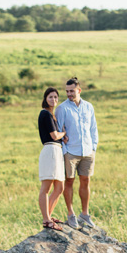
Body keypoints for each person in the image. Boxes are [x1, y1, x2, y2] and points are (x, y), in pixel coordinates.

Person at [55, 77, 98, 229]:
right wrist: (65, 151)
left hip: (87, 151)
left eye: (71, 91)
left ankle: (85, 215)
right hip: (70, 152)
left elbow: (93, 128)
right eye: (67, 91)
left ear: (79, 90)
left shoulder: (88, 107)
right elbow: (59, 130)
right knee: (69, 182)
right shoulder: (62, 109)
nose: (69, 94)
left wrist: (93, 147)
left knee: (86, 181)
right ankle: (71, 214)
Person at [37, 87, 67, 231]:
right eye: (50, 97)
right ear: (45, 99)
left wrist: (61, 136)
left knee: (59, 187)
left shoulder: (52, 115)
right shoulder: (45, 114)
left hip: (57, 151)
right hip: (50, 150)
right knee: (46, 188)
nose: (53, 100)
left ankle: (48, 215)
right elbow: (54, 136)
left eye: (56, 97)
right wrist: (64, 133)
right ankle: (46, 219)